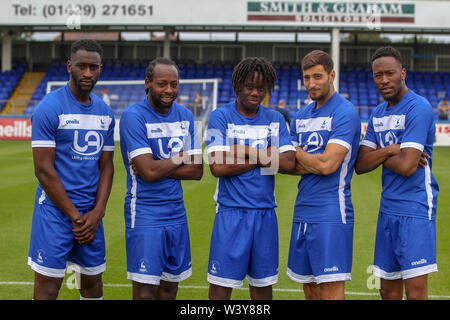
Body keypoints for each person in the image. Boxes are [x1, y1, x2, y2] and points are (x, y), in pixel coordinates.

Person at [28, 39, 115, 300]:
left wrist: (98, 212)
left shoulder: (106, 113)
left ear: (100, 69)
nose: (88, 73)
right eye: (82, 66)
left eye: (94, 67)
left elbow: (107, 165)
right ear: (69, 67)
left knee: (91, 282)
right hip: (56, 213)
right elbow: (43, 169)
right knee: (48, 285)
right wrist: (76, 217)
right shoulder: (49, 107)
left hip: (91, 215)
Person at [205, 57, 295, 300]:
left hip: (265, 213)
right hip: (230, 212)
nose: (256, 93)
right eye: (249, 87)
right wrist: (265, 155)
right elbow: (217, 167)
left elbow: (287, 163)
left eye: (261, 88)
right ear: (237, 85)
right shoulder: (220, 117)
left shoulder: (275, 119)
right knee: (221, 288)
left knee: (263, 289)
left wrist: (243, 150)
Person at [355, 46, 439, 300]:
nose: (384, 80)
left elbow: (407, 166)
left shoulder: (418, 107)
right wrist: (391, 149)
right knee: (387, 289)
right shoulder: (378, 113)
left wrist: (380, 152)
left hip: (414, 208)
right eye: (378, 75)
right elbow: (360, 164)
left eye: (390, 73)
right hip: (387, 209)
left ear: (402, 73)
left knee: (415, 292)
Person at [119, 57, 203, 300]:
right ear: (148, 83)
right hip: (145, 212)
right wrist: (179, 159)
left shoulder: (185, 115)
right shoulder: (133, 116)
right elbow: (148, 173)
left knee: (169, 288)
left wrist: (157, 164)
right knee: (145, 291)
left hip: (177, 212)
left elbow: (197, 171)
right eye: (162, 84)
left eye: (174, 84)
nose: (169, 90)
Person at [286, 50, 361, 300]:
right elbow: (289, 166)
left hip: (331, 212)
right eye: (307, 78)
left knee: (329, 290)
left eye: (317, 76)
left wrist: (298, 152)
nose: (311, 84)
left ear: (332, 75)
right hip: (302, 210)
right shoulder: (301, 115)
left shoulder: (345, 112)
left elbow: (328, 165)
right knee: (310, 288)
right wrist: (312, 160)